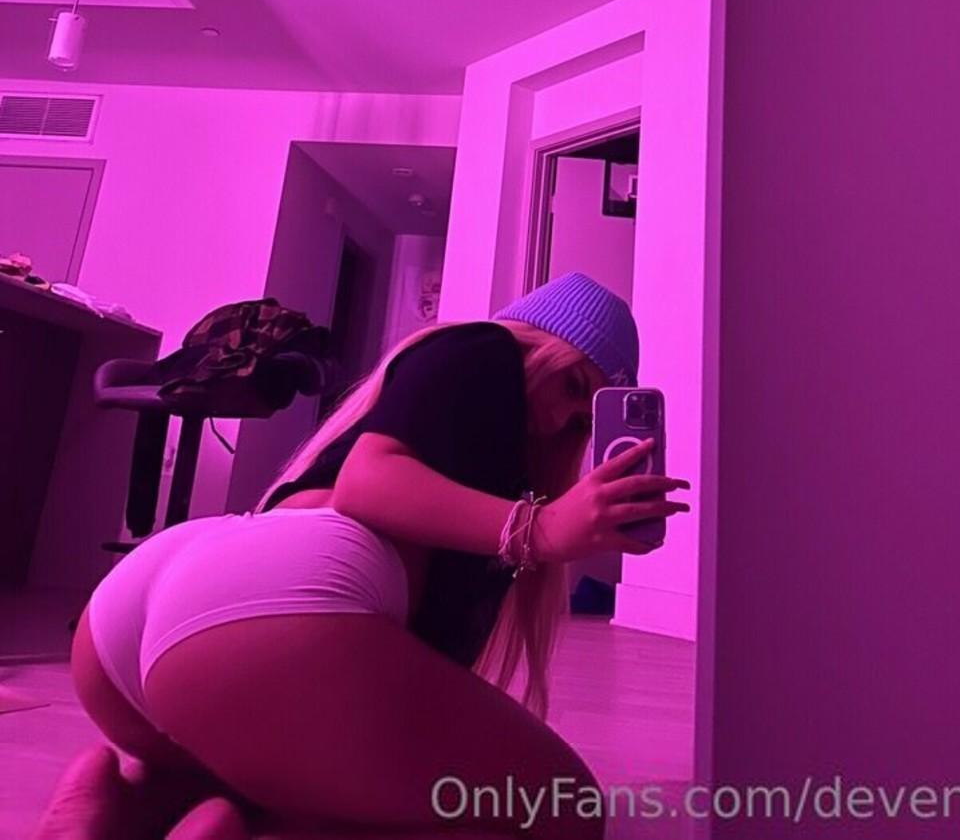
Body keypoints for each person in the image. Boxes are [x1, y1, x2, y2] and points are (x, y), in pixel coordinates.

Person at [34, 272, 691, 840]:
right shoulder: (485, 349)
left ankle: (131, 804)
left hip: (149, 621)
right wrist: (541, 528)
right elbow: (367, 482)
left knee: (319, 775)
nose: (559, 420)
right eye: (570, 385)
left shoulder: (478, 472)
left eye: (582, 420)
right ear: (536, 345)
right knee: (565, 809)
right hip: (264, 609)